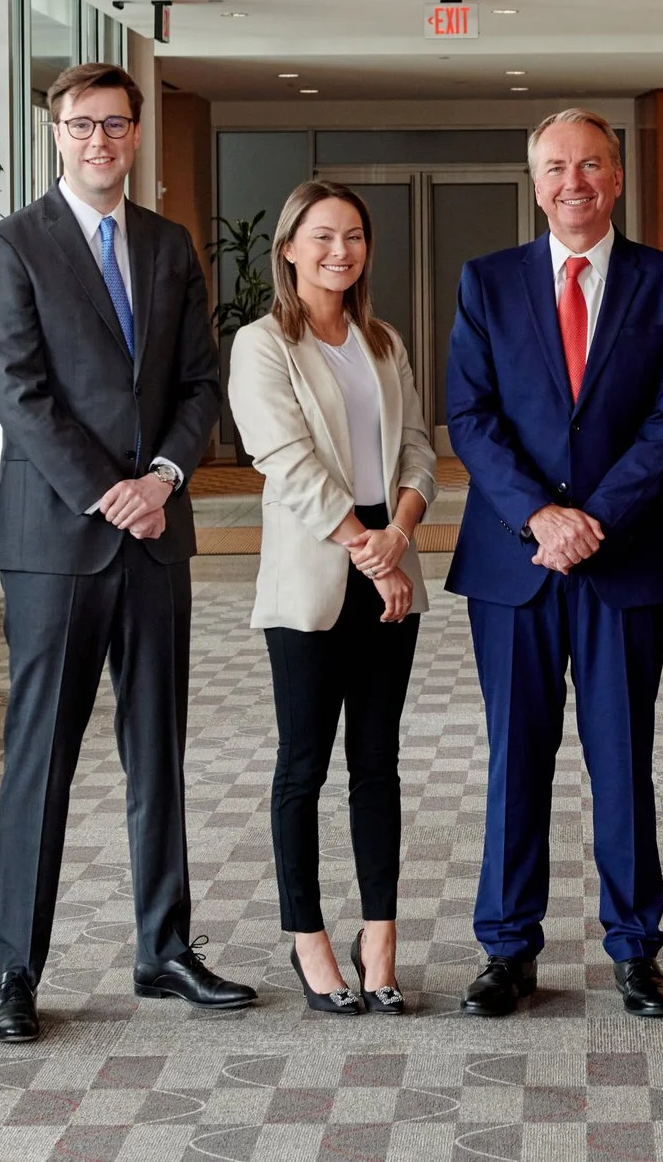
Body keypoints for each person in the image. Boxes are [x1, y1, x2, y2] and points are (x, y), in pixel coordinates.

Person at [0, 61, 250, 1043]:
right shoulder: (12, 245)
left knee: (158, 751)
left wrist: (163, 477)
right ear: (56, 132)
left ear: (136, 134)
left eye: (116, 124)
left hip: (156, 536)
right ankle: (17, 969)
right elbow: (18, 390)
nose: (101, 139)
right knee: (40, 757)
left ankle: (163, 946)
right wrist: (109, 491)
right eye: (82, 123)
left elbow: (200, 381)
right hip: (57, 541)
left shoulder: (168, 244)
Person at [446, 108, 663, 1019]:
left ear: (618, 177)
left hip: (621, 558)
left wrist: (593, 519)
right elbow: (471, 415)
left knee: (621, 757)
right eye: (556, 167)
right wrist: (541, 515)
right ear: (536, 181)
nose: (574, 182)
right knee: (515, 755)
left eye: (591, 164)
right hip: (513, 563)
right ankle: (507, 949)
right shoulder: (487, 281)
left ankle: (635, 950)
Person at [226, 181, 437, 1018]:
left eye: (352, 235)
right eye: (321, 235)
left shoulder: (382, 340)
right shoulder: (262, 344)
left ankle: (379, 937)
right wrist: (368, 549)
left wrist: (400, 533)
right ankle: (308, 935)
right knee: (304, 762)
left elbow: (418, 448)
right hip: (315, 574)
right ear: (288, 247)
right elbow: (288, 461)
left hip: (389, 561)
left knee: (377, 762)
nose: (339, 250)